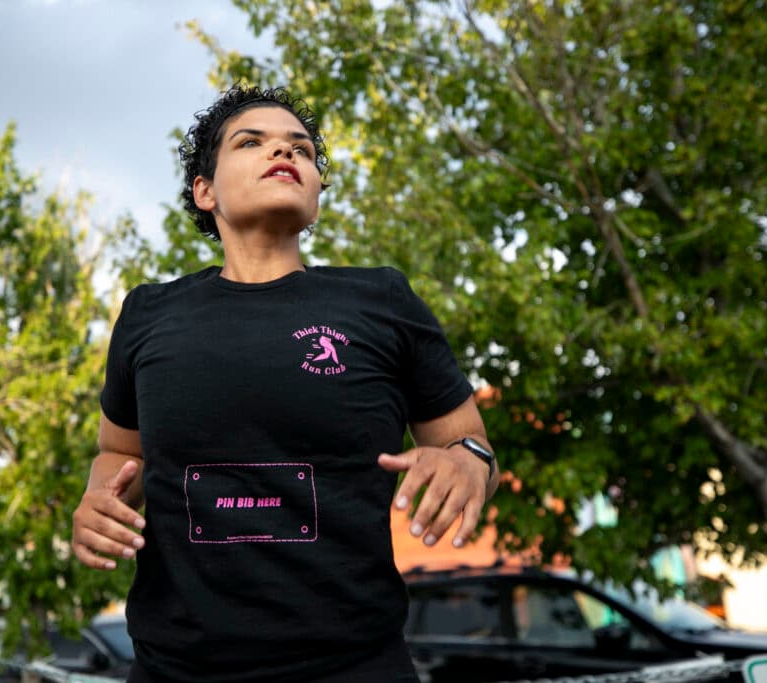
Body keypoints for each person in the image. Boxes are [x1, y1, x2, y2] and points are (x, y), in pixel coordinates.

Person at [72, 85, 499, 683]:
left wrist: (467, 465)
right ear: (205, 191)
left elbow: (472, 445)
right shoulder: (147, 315)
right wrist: (99, 505)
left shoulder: (381, 300)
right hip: (176, 669)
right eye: (253, 142)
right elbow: (118, 454)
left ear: (317, 196)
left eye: (301, 148)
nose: (285, 151)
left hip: (354, 667)